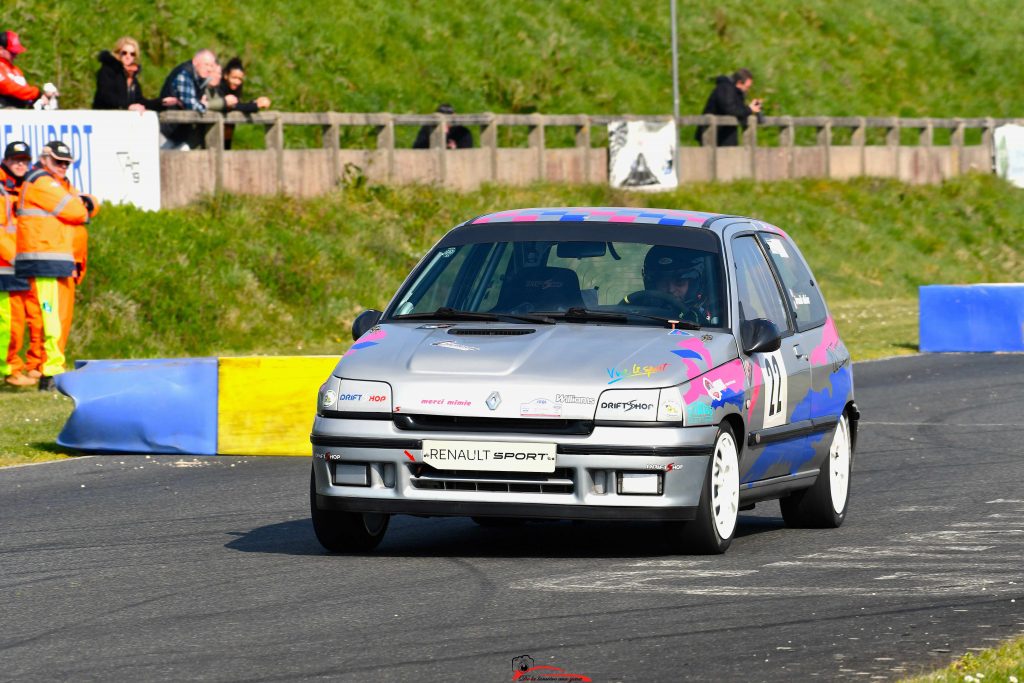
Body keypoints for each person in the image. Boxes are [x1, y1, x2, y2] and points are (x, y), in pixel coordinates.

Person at [15, 141, 100, 391]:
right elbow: (77, 210)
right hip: (44, 260)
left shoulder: (59, 185)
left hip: (58, 261)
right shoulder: (42, 182)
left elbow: (91, 202)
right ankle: (50, 372)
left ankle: (51, 368)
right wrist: (84, 205)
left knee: (58, 318)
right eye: (57, 161)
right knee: (50, 317)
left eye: (66, 163)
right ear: (44, 159)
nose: (62, 167)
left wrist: (86, 204)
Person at [0, 141, 35, 386]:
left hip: (20, 263)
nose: (20, 164)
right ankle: (9, 368)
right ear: (6, 162)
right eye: (16, 160)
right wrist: (15, 258)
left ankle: (12, 365)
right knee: (10, 321)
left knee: (18, 320)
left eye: (24, 160)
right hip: (6, 264)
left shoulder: (25, 188)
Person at [622, 245, 711, 325]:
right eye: (662, 282)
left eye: (679, 282)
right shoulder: (637, 310)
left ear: (693, 285)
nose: (670, 289)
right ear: (652, 283)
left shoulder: (710, 315)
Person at [92, 36, 180, 111]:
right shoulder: (107, 71)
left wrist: (162, 102)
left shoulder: (132, 77)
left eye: (132, 54)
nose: (128, 56)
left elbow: (140, 101)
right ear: (118, 54)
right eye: (124, 53)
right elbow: (106, 96)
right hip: (104, 119)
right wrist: (128, 106)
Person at [159, 49, 219, 149]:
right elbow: (191, 105)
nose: (209, 69)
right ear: (195, 62)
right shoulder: (184, 74)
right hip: (166, 132)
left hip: (180, 134)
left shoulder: (200, 78)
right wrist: (204, 105)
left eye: (211, 66)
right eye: (206, 64)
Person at [694, 68, 763, 147]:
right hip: (713, 135)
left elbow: (739, 110)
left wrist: (754, 112)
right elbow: (730, 109)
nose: (747, 90)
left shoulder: (736, 92)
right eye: (747, 87)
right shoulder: (725, 88)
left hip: (725, 136)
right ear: (739, 83)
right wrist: (749, 109)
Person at [218, 57, 271, 149]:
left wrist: (255, 102)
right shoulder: (218, 88)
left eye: (240, 79)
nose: (237, 82)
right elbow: (233, 106)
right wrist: (254, 105)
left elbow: (238, 105)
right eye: (234, 78)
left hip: (227, 135)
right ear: (226, 75)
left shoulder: (236, 88)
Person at [0, 30, 55, 109]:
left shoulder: (16, 70)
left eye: (16, 53)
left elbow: (25, 90)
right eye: (12, 53)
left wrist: (40, 98)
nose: (15, 55)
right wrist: (36, 94)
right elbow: (7, 86)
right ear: (1, 49)